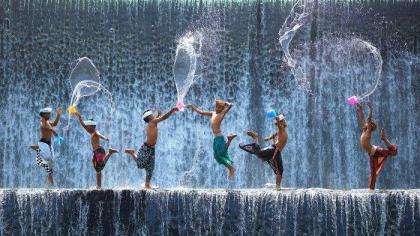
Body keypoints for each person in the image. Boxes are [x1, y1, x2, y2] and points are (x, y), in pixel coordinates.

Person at [124, 107, 178, 189]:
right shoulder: (153, 122)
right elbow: (164, 118)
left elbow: (157, 118)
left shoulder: (152, 122)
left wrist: (158, 115)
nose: (153, 115)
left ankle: (147, 184)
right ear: (149, 117)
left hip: (151, 148)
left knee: (150, 167)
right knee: (140, 163)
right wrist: (171, 110)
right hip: (146, 147)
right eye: (152, 114)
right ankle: (132, 153)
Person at [188, 100, 237, 178]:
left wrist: (225, 103)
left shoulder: (222, 113)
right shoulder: (213, 113)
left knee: (219, 155)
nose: (217, 108)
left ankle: (231, 168)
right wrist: (192, 107)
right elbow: (201, 112)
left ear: (222, 108)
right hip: (216, 138)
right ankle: (229, 140)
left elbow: (230, 105)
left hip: (219, 137)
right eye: (216, 106)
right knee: (219, 154)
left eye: (219, 107)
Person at [356, 102, 398, 190]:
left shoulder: (368, 131)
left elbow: (368, 118)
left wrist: (371, 109)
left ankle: (384, 139)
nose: (365, 124)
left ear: (370, 126)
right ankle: (371, 189)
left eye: (368, 123)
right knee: (373, 173)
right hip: (372, 154)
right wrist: (360, 110)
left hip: (376, 150)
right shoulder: (364, 130)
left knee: (393, 152)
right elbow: (362, 119)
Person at [239, 115, 288, 188]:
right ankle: (255, 137)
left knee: (279, 170)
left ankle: (277, 186)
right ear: (281, 123)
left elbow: (273, 135)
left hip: (276, 151)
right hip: (274, 149)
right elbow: (279, 126)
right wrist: (277, 120)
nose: (285, 121)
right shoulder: (282, 129)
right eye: (283, 120)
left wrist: (268, 138)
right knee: (260, 154)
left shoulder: (279, 131)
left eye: (284, 120)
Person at [74, 112, 118, 189]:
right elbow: (83, 125)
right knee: (98, 170)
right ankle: (98, 186)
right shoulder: (90, 131)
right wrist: (79, 116)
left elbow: (99, 135)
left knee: (99, 167)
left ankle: (110, 153)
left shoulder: (95, 132)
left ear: (92, 126)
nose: (86, 127)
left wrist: (104, 138)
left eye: (88, 126)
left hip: (99, 151)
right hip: (96, 152)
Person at [30, 107, 63, 185]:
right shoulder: (43, 121)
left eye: (49, 113)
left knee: (51, 162)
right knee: (50, 162)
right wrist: (52, 131)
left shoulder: (47, 122)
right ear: (43, 114)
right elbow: (43, 126)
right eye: (48, 113)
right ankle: (51, 181)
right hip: (45, 144)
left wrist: (58, 115)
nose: (49, 114)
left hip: (48, 144)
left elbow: (54, 124)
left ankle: (38, 148)